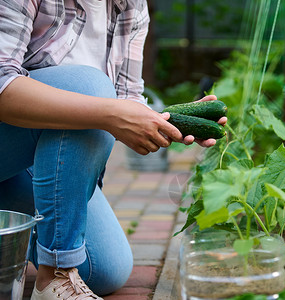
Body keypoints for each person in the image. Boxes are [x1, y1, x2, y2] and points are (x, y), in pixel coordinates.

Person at [0, 1, 226, 299]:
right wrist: (108, 111)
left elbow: (126, 101)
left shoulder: (131, 7)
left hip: (24, 167)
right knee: (89, 87)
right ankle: (55, 275)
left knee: (105, 270)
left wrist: (164, 122)